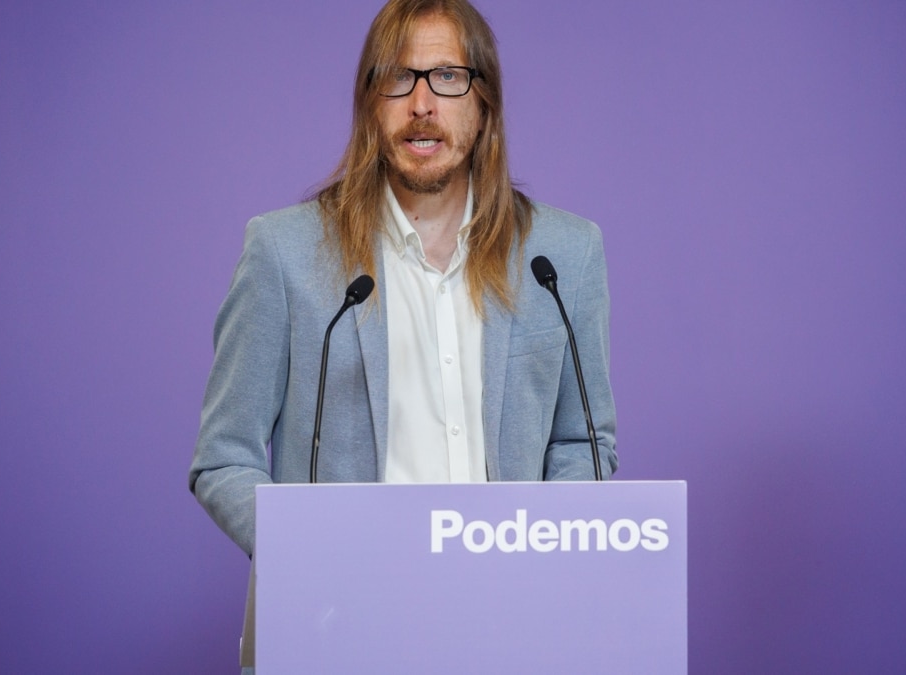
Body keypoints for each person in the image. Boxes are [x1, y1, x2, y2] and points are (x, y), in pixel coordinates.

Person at [190, 0, 617, 559]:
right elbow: (224, 456)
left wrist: (536, 552)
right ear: (370, 105)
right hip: (342, 615)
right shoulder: (283, 253)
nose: (422, 104)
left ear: (484, 106)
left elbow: (583, 444)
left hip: (507, 614)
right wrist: (306, 555)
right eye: (398, 78)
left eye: (447, 78)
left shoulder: (563, 257)